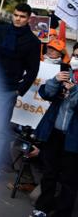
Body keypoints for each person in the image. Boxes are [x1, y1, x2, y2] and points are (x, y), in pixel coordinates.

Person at [0, 3, 41, 183]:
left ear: (28, 19)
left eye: (22, 16)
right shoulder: (0, 30)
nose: (18, 18)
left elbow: (33, 70)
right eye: (16, 15)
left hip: (9, 89)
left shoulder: (33, 42)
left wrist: (19, 90)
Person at [29, 66, 78, 217]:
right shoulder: (66, 74)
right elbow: (46, 93)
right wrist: (55, 81)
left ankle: (62, 213)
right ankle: (42, 208)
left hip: (74, 138)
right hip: (54, 134)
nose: (75, 58)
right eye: (75, 55)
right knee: (49, 173)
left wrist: (74, 90)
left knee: (69, 179)